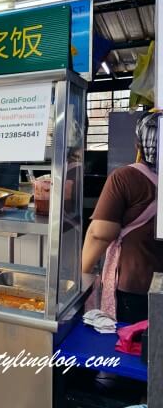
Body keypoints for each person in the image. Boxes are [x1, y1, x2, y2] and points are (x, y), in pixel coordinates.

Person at [82, 111, 163, 323]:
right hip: (156, 285)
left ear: (139, 145)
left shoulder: (125, 177)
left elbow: (100, 233)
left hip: (136, 285)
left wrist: (83, 271)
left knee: (132, 347)